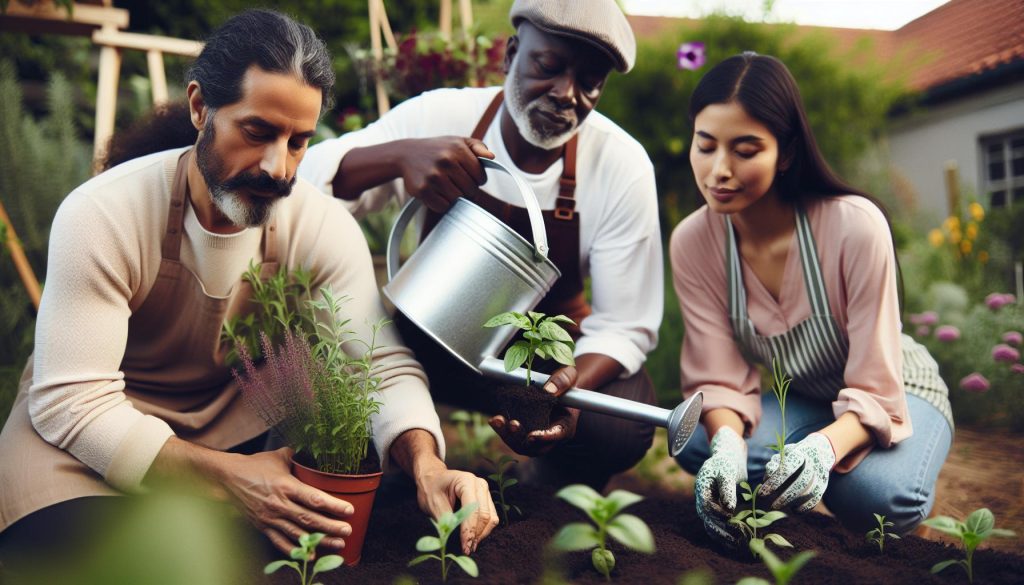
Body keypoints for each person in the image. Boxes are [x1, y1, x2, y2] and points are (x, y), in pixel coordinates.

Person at [0, 9, 497, 566]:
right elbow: (73, 403)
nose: (278, 168)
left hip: (230, 439)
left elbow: (377, 365)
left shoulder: (321, 225)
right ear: (199, 108)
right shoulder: (104, 214)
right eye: (257, 132)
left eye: (298, 142)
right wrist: (231, 481)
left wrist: (428, 464)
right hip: (83, 451)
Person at [299, 0, 661, 490]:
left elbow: (624, 324)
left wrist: (566, 388)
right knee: (330, 354)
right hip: (430, 336)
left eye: (590, 82)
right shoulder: (444, 114)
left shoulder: (621, 165)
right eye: (548, 66)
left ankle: (552, 478)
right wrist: (399, 156)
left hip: (537, 365)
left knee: (620, 421)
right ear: (511, 55)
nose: (566, 93)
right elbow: (305, 181)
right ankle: (387, 460)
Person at [669, 52, 953, 546]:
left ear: (786, 153)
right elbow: (718, 377)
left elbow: (877, 384)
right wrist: (729, 447)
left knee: (877, 495)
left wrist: (823, 450)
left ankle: (864, 478)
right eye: (705, 145)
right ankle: (807, 482)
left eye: (745, 150)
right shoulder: (694, 241)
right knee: (701, 441)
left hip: (895, 389)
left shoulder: (853, 226)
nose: (718, 170)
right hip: (806, 395)